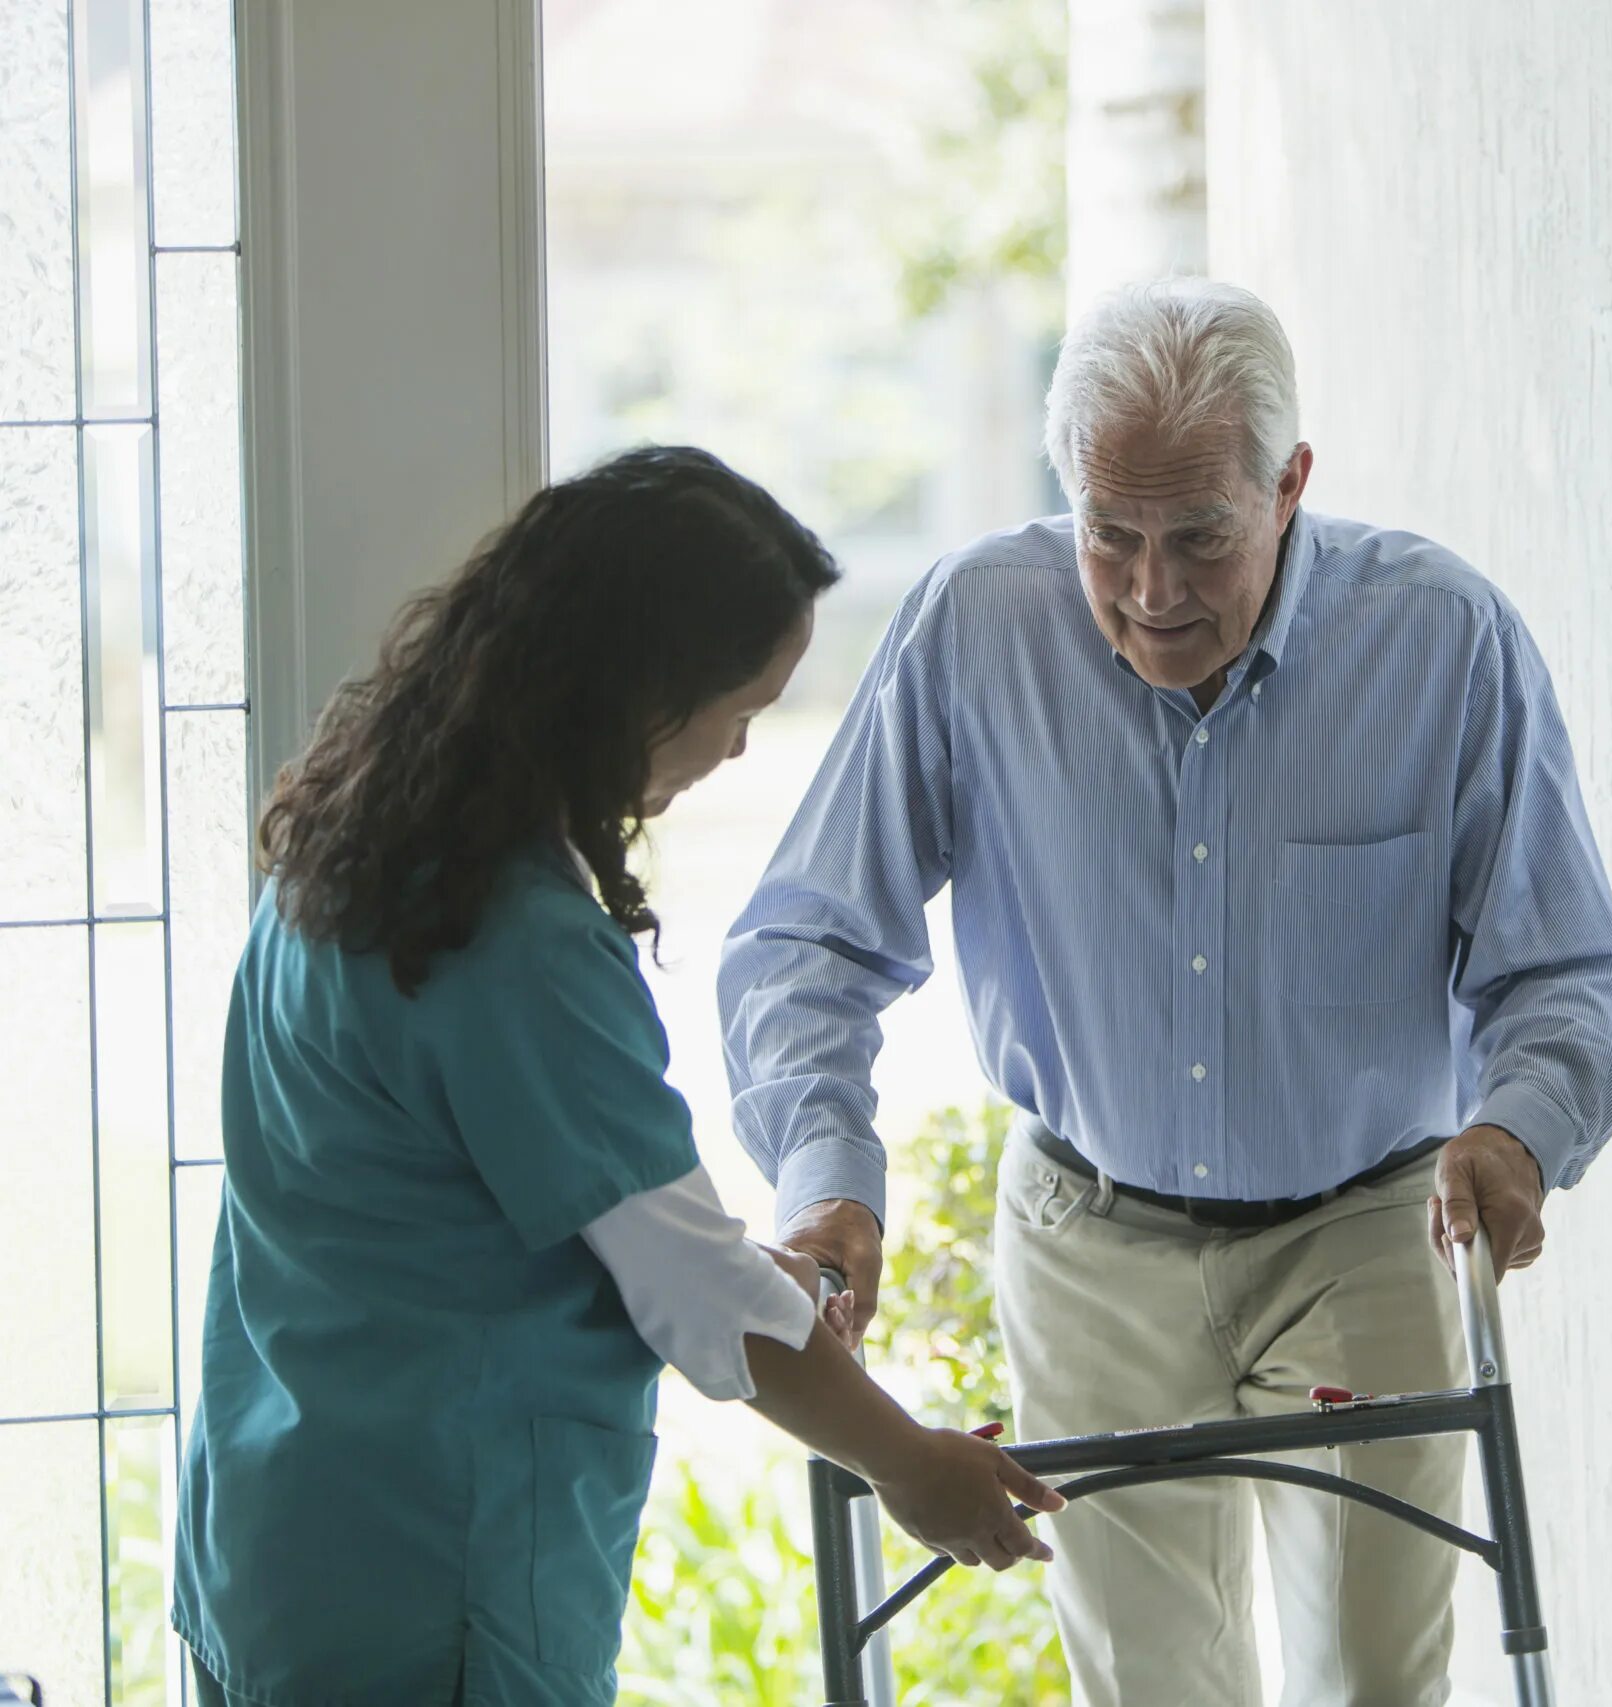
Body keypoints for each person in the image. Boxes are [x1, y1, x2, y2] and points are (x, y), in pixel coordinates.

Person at [721, 281, 1612, 1706]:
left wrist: (1519, 1129)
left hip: (1365, 1221)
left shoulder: (1442, 637)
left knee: (1371, 1677)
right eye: (1112, 534)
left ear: (1289, 486)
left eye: (1201, 537)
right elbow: (805, 940)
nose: (1152, 591)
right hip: (1089, 1229)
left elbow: (1570, 965)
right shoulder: (976, 626)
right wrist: (827, 1169)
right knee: (1150, 1686)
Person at [170, 447, 1063, 1707]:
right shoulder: (509, 942)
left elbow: (510, 1213)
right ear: (636, 695)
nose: (742, 750)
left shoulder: (350, 832)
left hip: (280, 1534)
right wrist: (908, 1462)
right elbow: (690, 1290)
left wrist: (778, 1280)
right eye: (739, 709)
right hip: (430, 1582)